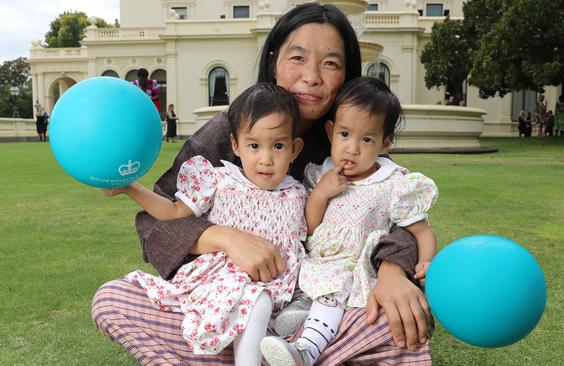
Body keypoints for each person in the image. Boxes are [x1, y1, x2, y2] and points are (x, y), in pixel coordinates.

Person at [92, 4, 432, 365]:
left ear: (347, 74)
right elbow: (159, 217)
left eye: (331, 63)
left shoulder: (352, 143)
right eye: (297, 57)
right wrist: (226, 237)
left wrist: (394, 272)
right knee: (112, 300)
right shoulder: (230, 130)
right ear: (273, 62)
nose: (312, 76)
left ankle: (282, 354)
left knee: (396, 319)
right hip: (228, 295)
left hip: (310, 302)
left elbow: (398, 212)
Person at [104, 83, 305, 364]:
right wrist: (130, 187)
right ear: (236, 145)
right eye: (254, 146)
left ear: (295, 149)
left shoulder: (298, 193)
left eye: (278, 146)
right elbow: (174, 212)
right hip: (223, 282)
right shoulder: (219, 180)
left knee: (293, 319)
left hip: (279, 287)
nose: (266, 159)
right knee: (256, 303)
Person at [260, 77, 438, 366]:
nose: (352, 148)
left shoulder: (393, 183)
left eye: (366, 139)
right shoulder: (321, 175)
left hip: (353, 266)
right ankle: (281, 333)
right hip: (316, 259)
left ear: (385, 143)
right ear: (331, 132)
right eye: (344, 134)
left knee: (332, 295)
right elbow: (309, 227)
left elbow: (421, 232)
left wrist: (427, 262)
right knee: (289, 292)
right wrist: (320, 194)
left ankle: (307, 350)